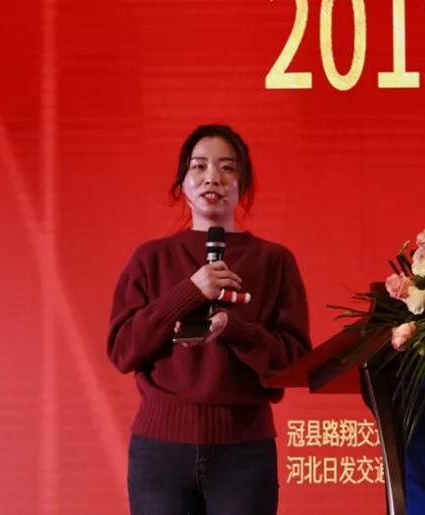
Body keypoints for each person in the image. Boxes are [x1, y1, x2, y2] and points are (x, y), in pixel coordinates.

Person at [107, 124, 311, 514]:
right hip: (160, 452)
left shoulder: (274, 261)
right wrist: (191, 291)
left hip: (244, 451)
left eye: (227, 168)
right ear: (182, 183)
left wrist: (234, 328)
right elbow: (122, 350)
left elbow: (294, 360)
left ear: (243, 184)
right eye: (199, 167)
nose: (212, 178)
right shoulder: (150, 258)